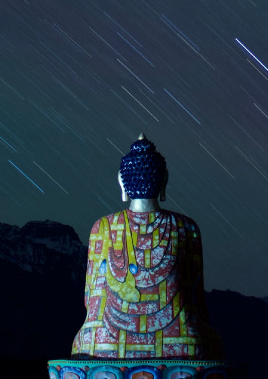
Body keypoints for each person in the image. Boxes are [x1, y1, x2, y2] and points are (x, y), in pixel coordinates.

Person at [70, 134, 224, 359]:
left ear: (122, 182)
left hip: (106, 342)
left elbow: (90, 300)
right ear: (164, 180)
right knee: (210, 341)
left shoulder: (102, 227)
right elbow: (196, 302)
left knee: (84, 343)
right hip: (182, 340)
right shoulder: (186, 228)